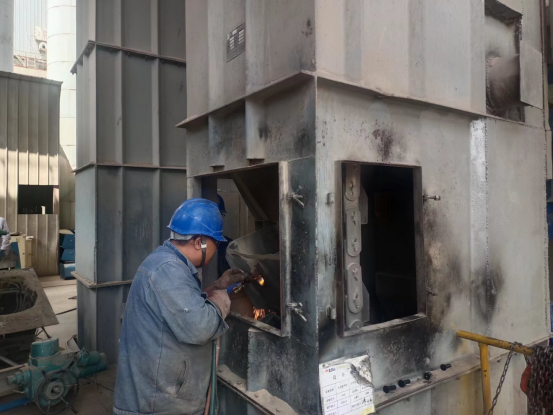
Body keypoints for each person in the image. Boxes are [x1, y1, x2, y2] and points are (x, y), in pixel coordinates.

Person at [113, 198, 247, 415]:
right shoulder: (169, 270)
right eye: (216, 244)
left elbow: (181, 305)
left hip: (157, 393)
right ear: (199, 242)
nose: (216, 250)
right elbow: (200, 327)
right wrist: (221, 300)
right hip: (157, 402)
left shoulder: (166, 262)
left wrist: (217, 285)